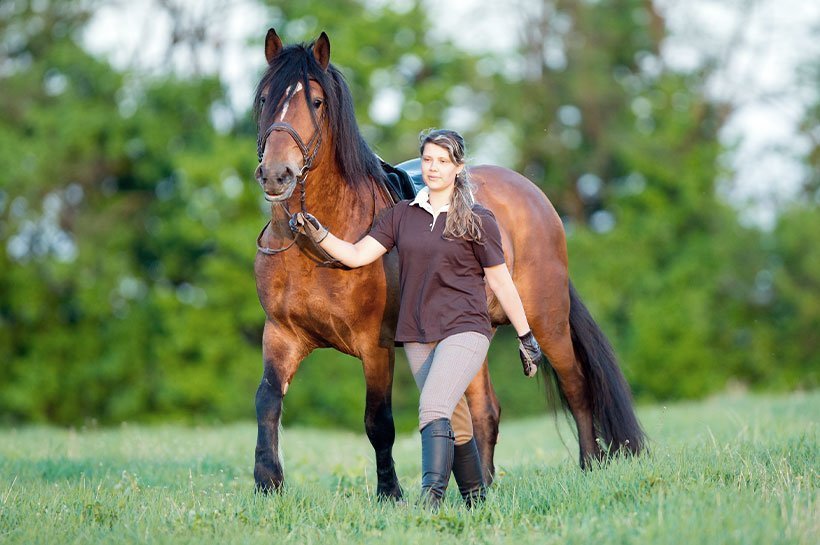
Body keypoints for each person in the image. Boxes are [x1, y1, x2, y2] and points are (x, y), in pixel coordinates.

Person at [291, 128, 543, 507]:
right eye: (427, 160)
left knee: (433, 407)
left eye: (442, 161)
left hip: (465, 328)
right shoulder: (400, 216)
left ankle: (431, 501)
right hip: (418, 333)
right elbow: (358, 255)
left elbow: (501, 282)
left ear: (458, 168)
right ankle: (477, 501)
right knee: (455, 420)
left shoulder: (478, 219)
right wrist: (321, 234)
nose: (433, 168)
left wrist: (526, 337)